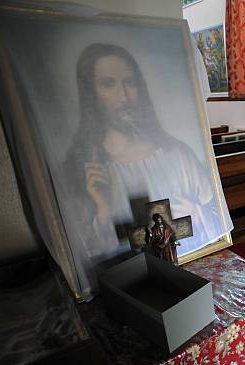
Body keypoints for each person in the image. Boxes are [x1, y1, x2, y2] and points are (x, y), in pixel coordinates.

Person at [63, 43, 230, 260]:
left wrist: (198, 214)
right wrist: (103, 212)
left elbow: (217, 218)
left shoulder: (176, 154)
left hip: (192, 264)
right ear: (91, 94)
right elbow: (87, 257)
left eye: (129, 83)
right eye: (108, 84)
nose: (123, 96)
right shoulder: (86, 170)